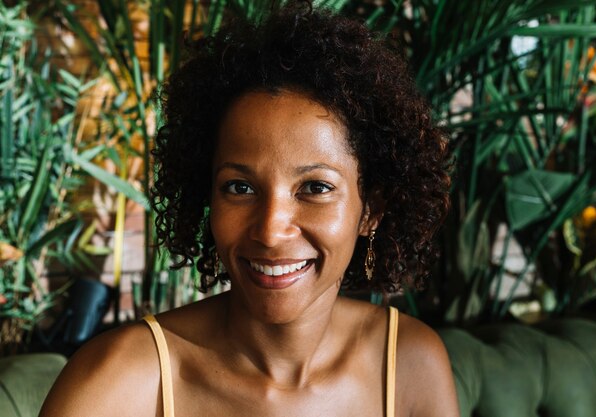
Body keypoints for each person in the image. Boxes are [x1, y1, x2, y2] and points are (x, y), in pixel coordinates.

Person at [40, 2, 458, 416]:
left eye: (315, 187)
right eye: (240, 187)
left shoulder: (410, 366)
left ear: (372, 210)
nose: (271, 230)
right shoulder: (117, 383)